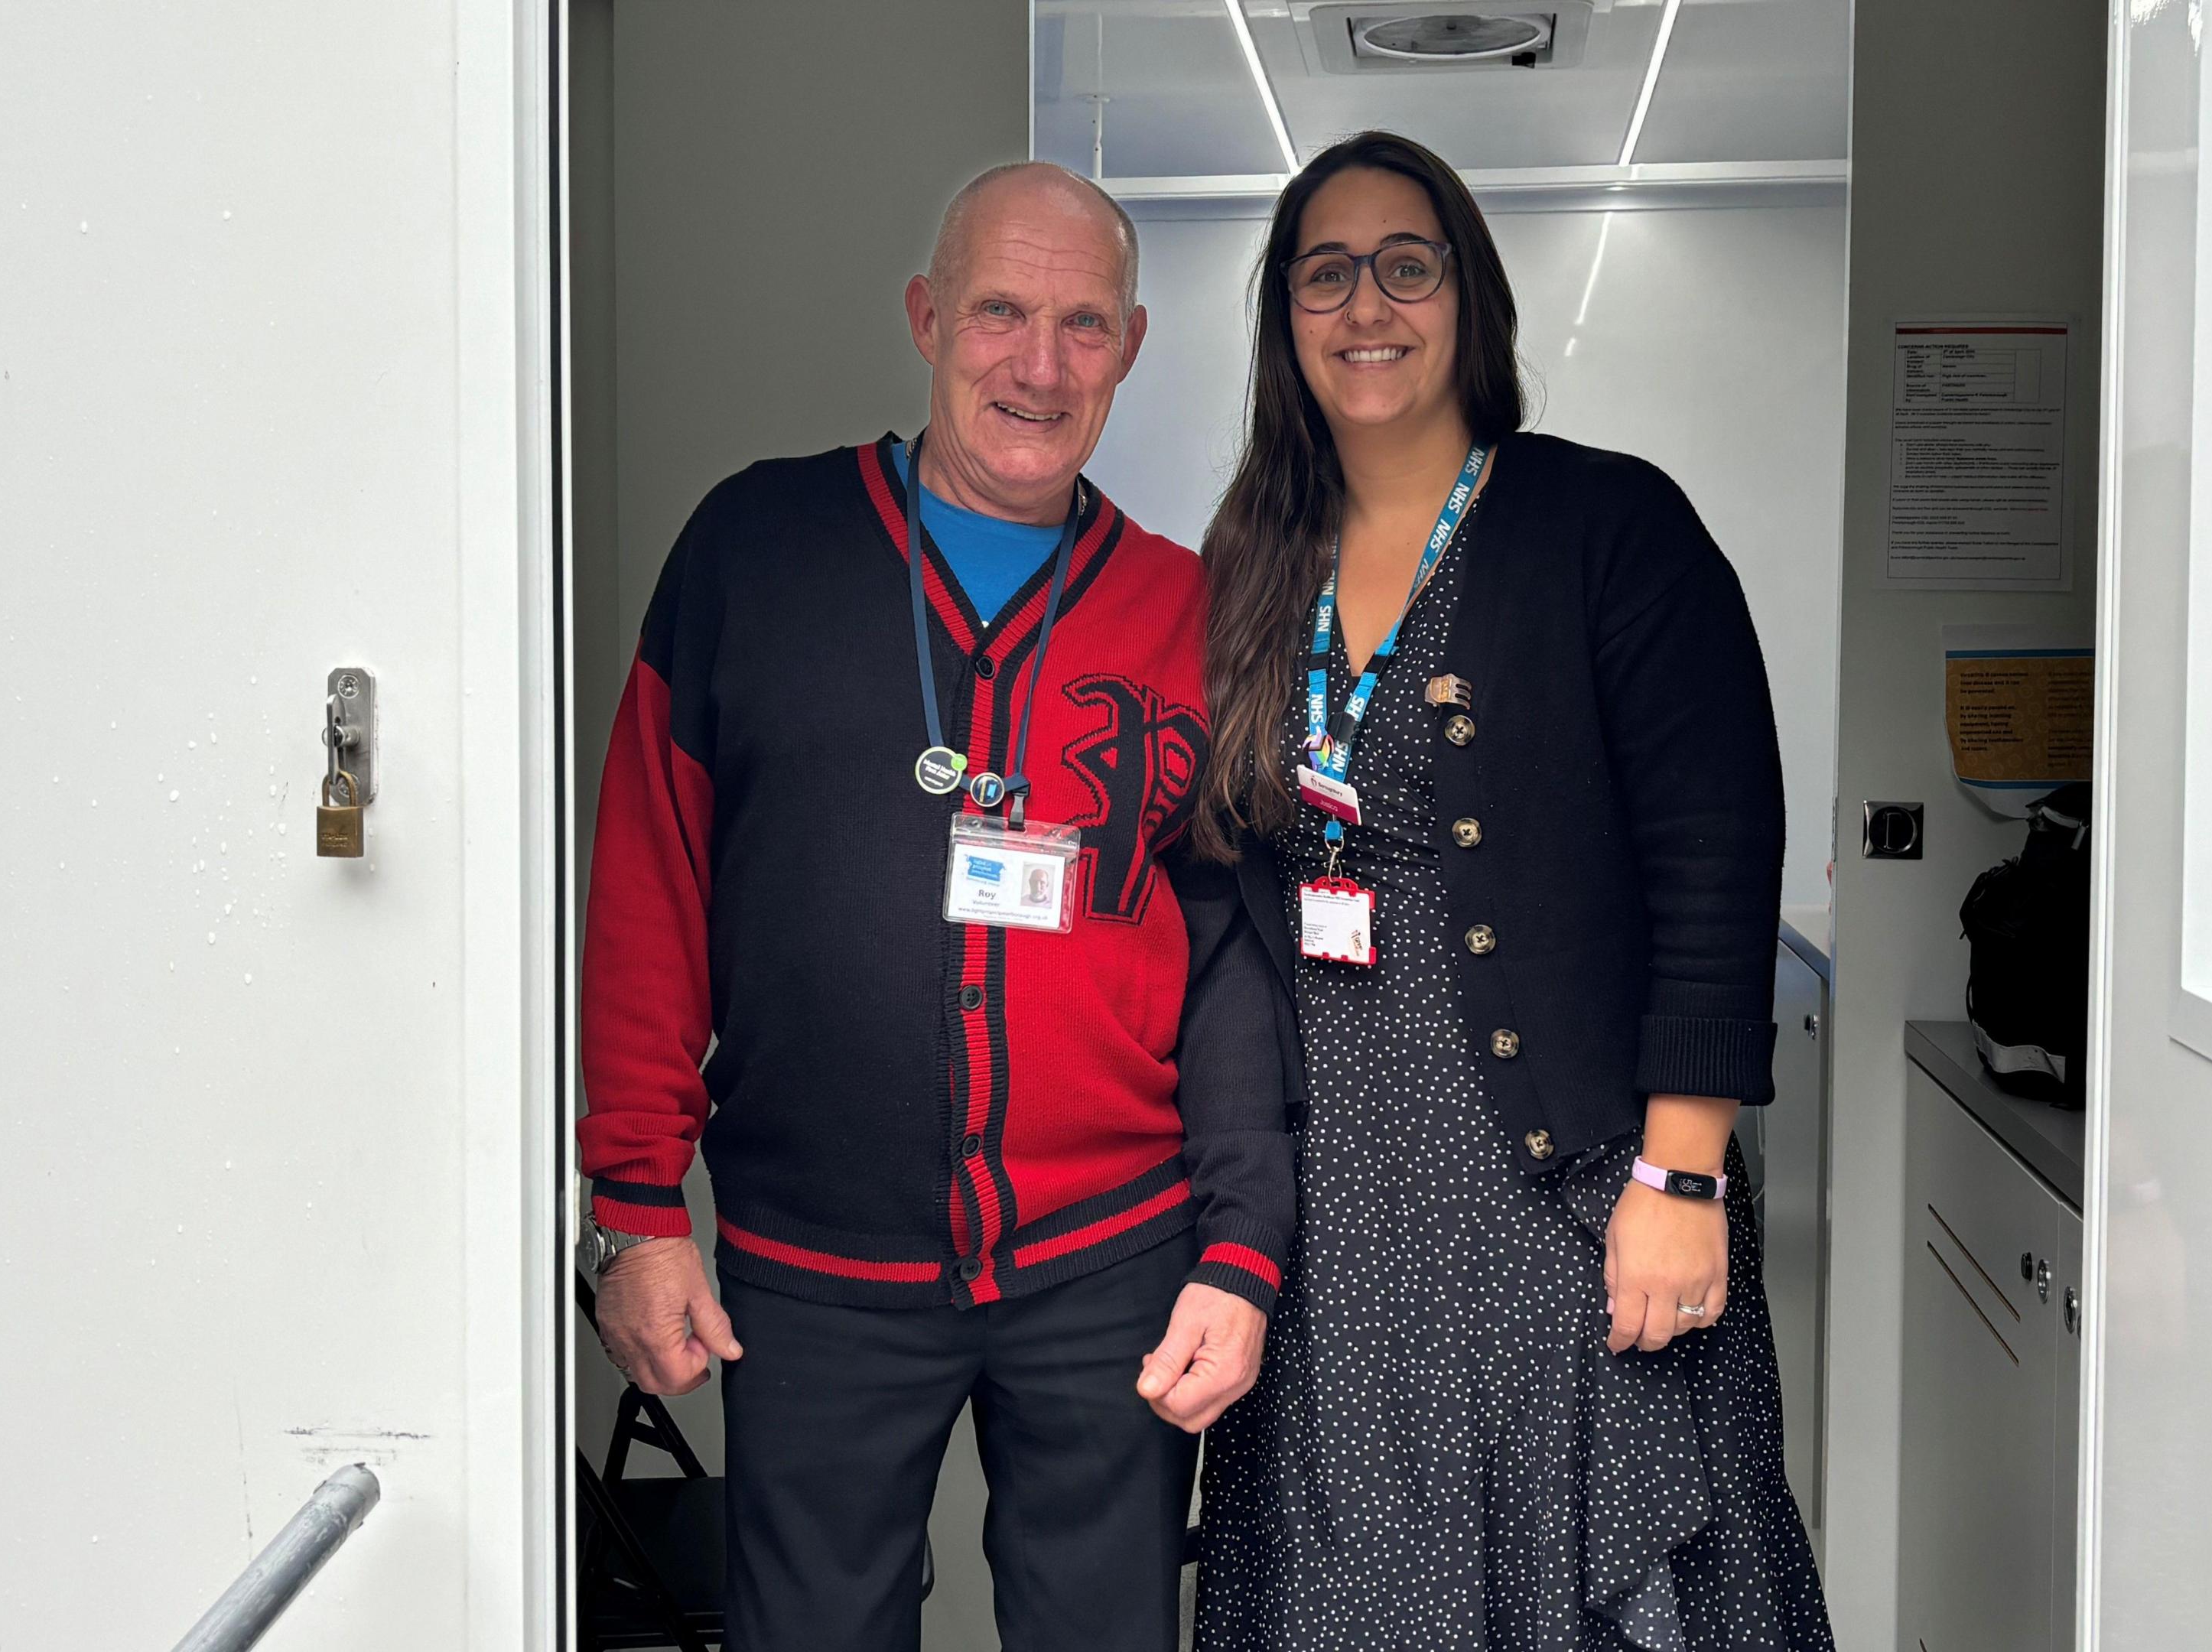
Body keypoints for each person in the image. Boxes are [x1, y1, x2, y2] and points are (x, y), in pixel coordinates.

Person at [578, 161, 1294, 1652]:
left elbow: (1231, 961)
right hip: (815, 1254)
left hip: (1112, 1248)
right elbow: (650, 877)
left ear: (1134, 347)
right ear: (925, 318)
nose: (1039, 365)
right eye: (1000, 313)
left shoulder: (1189, 612)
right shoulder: (754, 554)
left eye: (1084, 326)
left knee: (1102, 1632)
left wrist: (1240, 1242)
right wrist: (636, 1200)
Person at [1187, 132, 1833, 1650]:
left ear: (1468, 293)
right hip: (1336, 1199)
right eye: (1323, 273)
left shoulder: (1611, 529)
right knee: (1361, 1589)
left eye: (1406, 266)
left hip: (1565, 1185)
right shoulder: (1249, 558)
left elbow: (1715, 859)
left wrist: (1683, 1176)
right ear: (1283, 315)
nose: (1368, 306)